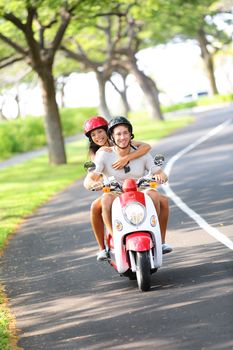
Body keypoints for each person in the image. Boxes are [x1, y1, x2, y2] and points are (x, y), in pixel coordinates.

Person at [84, 116, 172, 259]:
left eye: (100, 132)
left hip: (138, 188)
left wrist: (159, 175)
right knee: (100, 204)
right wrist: (93, 183)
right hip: (115, 190)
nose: (98, 136)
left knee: (161, 199)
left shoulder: (134, 146)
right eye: (93, 134)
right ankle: (109, 243)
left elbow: (147, 149)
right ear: (113, 135)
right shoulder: (101, 154)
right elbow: (90, 177)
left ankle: (157, 238)